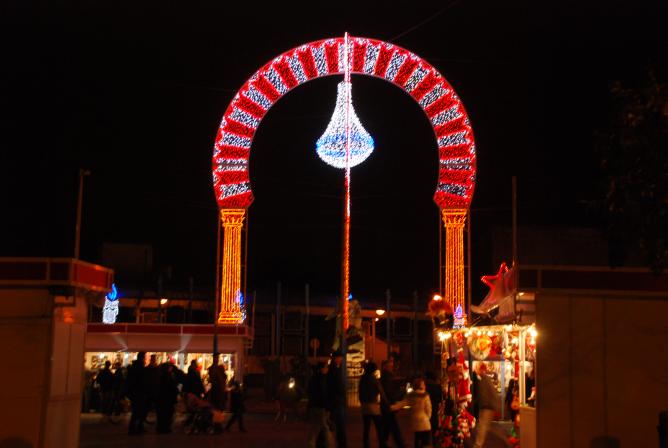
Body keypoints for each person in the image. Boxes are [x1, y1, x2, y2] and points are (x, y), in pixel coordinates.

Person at [472, 363, 502, 448]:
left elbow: (490, 393)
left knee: (483, 426)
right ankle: (481, 442)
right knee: (483, 426)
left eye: (479, 369)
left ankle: (478, 444)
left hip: (487, 406)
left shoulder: (485, 380)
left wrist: (495, 406)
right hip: (485, 406)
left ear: (482, 370)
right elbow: (485, 393)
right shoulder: (483, 380)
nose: (478, 371)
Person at [358, 362, 386, 448]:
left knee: (366, 427)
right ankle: (382, 444)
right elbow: (381, 391)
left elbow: (360, 392)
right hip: (373, 405)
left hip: (364, 406)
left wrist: (362, 402)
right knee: (379, 427)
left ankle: (366, 444)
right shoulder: (374, 379)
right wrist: (385, 401)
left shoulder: (362, 379)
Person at [380, 359, 405, 448]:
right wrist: (399, 393)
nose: (392, 367)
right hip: (388, 404)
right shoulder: (387, 377)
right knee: (392, 425)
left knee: (387, 425)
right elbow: (389, 392)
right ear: (386, 367)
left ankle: (385, 443)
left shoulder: (387, 377)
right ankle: (399, 443)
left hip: (387, 404)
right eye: (390, 366)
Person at [327, 350, 347, 448]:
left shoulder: (334, 369)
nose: (341, 359)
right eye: (340, 357)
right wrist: (342, 393)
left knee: (335, 424)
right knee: (339, 424)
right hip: (337, 401)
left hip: (335, 400)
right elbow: (338, 385)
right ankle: (340, 444)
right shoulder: (334, 369)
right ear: (335, 358)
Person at [307, 362, 330, 448]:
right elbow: (323, 393)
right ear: (322, 369)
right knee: (323, 427)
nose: (327, 369)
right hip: (320, 406)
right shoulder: (322, 379)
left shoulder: (313, 378)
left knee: (315, 426)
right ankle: (329, 443)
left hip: (313, 405)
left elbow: (309, 391)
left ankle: (314, 443)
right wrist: (327, 406)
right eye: (326, 367)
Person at [125, 352, 148, 435]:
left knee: (137, 411)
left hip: (134, 392)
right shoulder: (140, 368)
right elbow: (142, 381)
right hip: (139, 392)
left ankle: (135, 427)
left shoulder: (133, 368)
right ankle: (135, 428)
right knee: (138, 411)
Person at [407, 378, 432, 448]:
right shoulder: (425, 395)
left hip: (415, 422)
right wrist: (428, 417)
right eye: (423, 384)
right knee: (426, 443)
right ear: (420, 385)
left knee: (417, 440)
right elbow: (428, 409)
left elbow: (405, 404)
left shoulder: (411, 395)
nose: (425, 386)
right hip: (424, 422)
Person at [156, 362, 179, 434]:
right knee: (167, 413)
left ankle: (161, 427)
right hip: (167, 399)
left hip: (161, 398)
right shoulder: (168, 376)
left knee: (162, 414)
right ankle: (165, 428)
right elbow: (171, 387)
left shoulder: (160, 376)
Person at [424, 370, 443, 441]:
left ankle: (426, 438)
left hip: (426, 406)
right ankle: (434, 438)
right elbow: (439, 397)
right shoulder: (437, 385)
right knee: (434, 420)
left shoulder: (425, 385)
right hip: (434, 405)